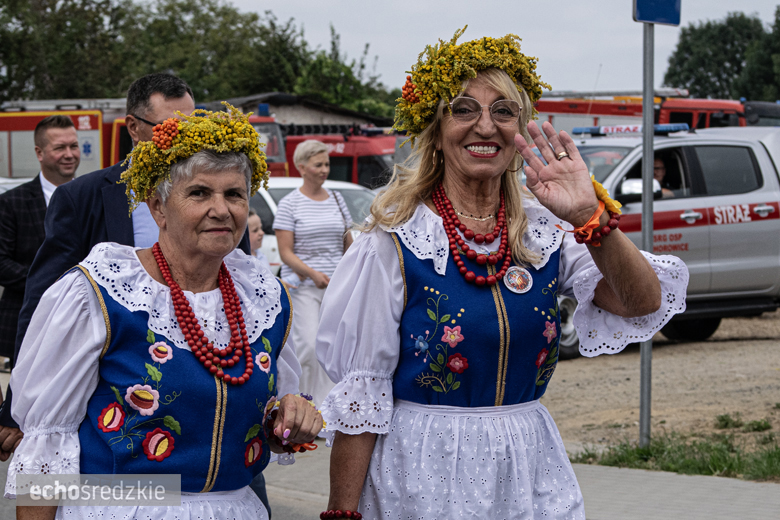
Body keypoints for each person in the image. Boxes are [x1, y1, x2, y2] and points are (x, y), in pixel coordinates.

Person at [315, 28, 690, 519]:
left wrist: (589, 219)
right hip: (423, 468)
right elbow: (362, 399)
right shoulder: (393, 241)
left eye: (503, 111)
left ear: (521, 128)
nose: (484, 126)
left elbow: (642, 302)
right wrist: (342, 512)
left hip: (528, 464)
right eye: (464, 108)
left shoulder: (544, 230)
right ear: (436, 127)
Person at [7, 104, 322, 520]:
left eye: (234, 194)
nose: (221, 209)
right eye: (199, 193)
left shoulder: (262, 296)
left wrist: (290, 416)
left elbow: (268, 417)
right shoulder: (100, 293)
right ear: (157, 207)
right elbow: (47, 443)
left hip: (234, 508)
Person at [0, 73, 253, 462]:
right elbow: (43, 309)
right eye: (170, 129)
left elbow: (241, 285)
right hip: (116, 404)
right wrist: (18, 407)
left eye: (194, 126)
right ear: (134, 127)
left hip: (214, 400)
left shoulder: (224, 203)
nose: (187, 139)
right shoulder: (80, 198)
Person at [274, 139, 353, 407]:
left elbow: (346, 241)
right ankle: (303, 405)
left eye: (327, 164)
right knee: (307, 346)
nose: (324, 169)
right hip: (305, 287)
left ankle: (328, 409)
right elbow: (286, 253)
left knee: (333, 348)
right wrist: (313, 273)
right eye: (318, 164)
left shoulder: (338, 199)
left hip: (336, 286)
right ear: (301, 167)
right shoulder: (289, 204)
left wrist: (351, 272)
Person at [0, 115, 80, 367]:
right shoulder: (11, 203)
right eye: (60, 148)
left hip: (83, 327)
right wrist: (55, 283)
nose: (69, 154)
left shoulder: (94, 197)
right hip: (26, 326)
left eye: (74, 146)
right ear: (39, 152)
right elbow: (1, 264)